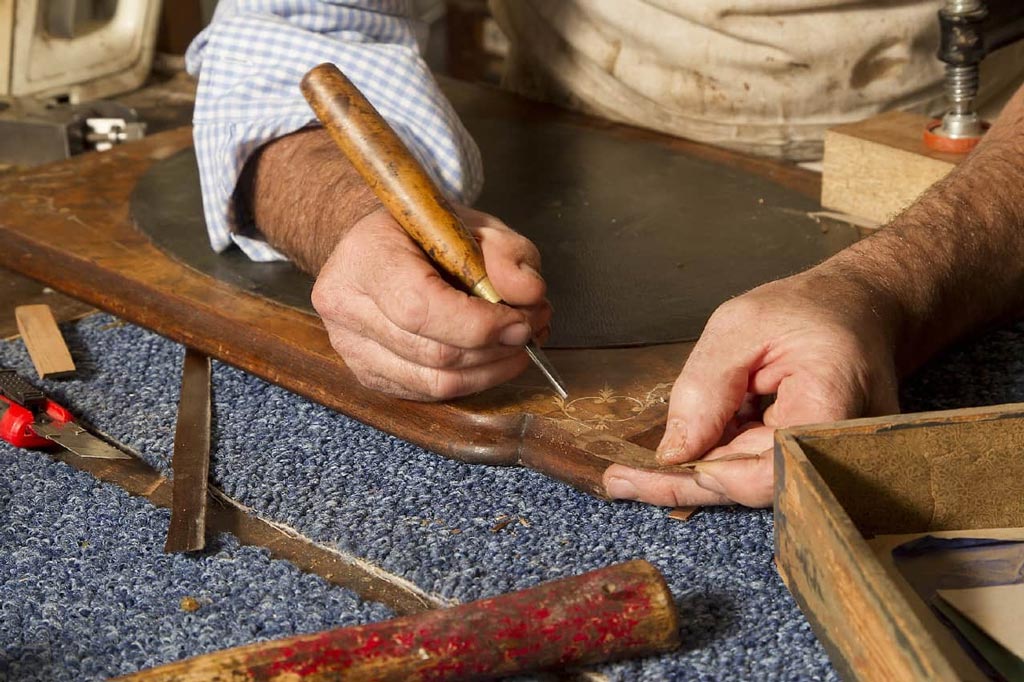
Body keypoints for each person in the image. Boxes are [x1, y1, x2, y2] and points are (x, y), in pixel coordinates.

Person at [185, 1, 1024, 508]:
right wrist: (350, 214)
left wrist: (890, 287)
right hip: (567, 143)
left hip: (974, 185)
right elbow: (289, 36)